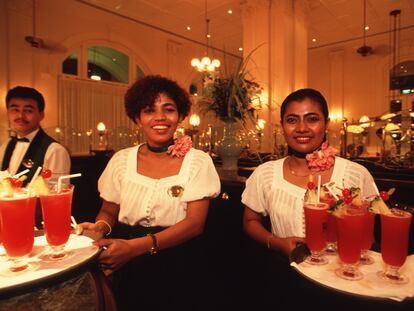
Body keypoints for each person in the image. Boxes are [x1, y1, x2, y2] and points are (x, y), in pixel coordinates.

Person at [78, 75, 220, 310]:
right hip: (125, 263)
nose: (160, 118)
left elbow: (195, 224)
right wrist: (100, 227)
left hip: (178, 263)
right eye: (148, 110)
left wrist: (133, 248)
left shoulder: (197, 161)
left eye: (169, 109)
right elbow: (108, 211)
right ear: (137, 118)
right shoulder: (121, 160)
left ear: (181, 115)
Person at [241, 88, 378, 308]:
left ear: (327, 123)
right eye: (292, 120)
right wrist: (278, 243)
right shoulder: (266, 173)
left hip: (343, 284)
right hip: (284, 280)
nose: (302, 128)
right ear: (283, 126)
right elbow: (250, 221)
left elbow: (368, 233)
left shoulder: (354, 174)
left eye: (312, 119)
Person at [0, 86, 70, 183]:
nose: (21, 116)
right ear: (8, 112)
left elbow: (57, 193)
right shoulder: (6, 145)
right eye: (15, 110)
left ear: (41, 115)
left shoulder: (55, 150)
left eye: (28, 110)